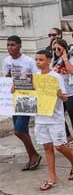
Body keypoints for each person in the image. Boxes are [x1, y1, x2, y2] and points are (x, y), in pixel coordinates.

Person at [31, 49, 73, 191]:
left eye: (41, 60)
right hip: (40, 117)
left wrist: (60, 94)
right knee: (47, 147)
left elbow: (65, 98)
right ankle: (51, 177)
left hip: (55, 117)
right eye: (36, 59)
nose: (38, 62)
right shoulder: (35, 76)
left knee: (59, 146)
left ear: (48, 60)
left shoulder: (56, 77)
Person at [3, 36, 40, 170]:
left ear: (19, 46)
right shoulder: (7, 60)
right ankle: (32, 157)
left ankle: (35, 154)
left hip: (26, 98)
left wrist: (21, 82)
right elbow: (6, 77)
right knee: (23, 130)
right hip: (13, 98)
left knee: (18, 131)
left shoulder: (28, 61)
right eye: (8, 45)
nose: (9, 48)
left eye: (12, 45)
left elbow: (36, 78)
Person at [51, 39, 73, 148]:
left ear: (65, 49)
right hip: (60, 94)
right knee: (58, 115)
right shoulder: (54, 61)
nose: (56, 50)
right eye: (54, 49)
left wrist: (65, 58)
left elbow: (72, 71)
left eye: (58, 48)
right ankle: (68, 136)